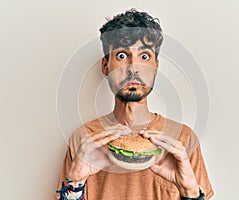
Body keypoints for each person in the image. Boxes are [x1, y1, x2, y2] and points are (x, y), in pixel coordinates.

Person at [55, 9, 214, 200]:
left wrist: (190, 192)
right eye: (122, 56)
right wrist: (75, 182)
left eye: (144, 56)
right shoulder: (83, 139)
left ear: (156, 65)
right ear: (105, 66)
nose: (133, 68)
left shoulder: (183, 139)